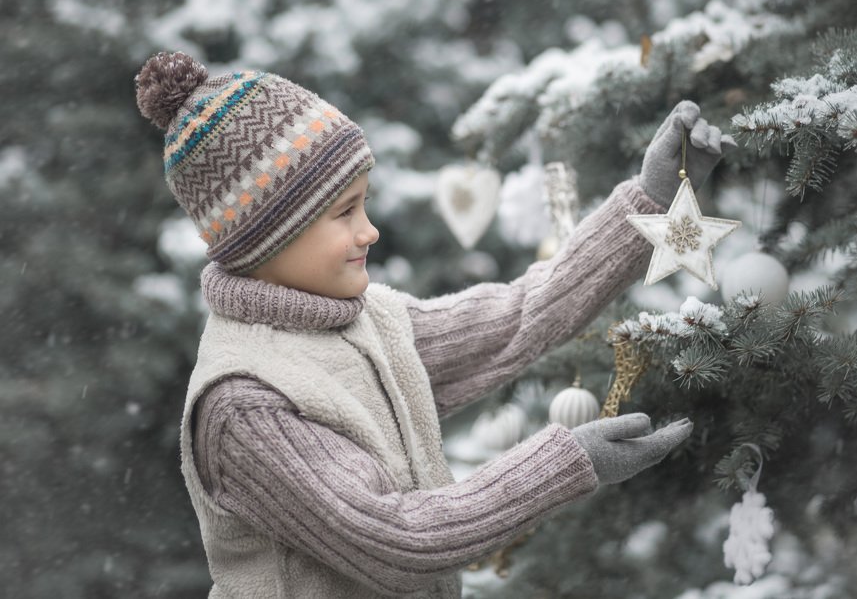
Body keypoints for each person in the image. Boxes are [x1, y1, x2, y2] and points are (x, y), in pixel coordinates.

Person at [135, 50, 731, 598]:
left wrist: (651, 201)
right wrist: (568, 462)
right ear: (268, 234)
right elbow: (398, 539)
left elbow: (515, 318)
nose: (369, 231)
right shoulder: (244, 406)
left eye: (364, 204)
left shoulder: (372, 322)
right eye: (345, 213)